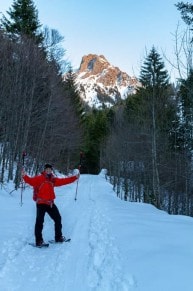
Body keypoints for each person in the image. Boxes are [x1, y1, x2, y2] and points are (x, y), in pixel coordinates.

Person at [22, 163, 79, 246]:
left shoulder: (53, 179)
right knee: (39, 222)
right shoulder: (40, 178)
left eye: (50, 169)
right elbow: (31, 181)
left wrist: (75, 178)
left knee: (58, 218)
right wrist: (24, 176)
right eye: (47, 169)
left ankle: (58, 237)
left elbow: (63, 181)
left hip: (50, 203)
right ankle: (39, 241)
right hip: (41, 203)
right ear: (44, 170)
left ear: (51, 170)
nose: (48, 170)